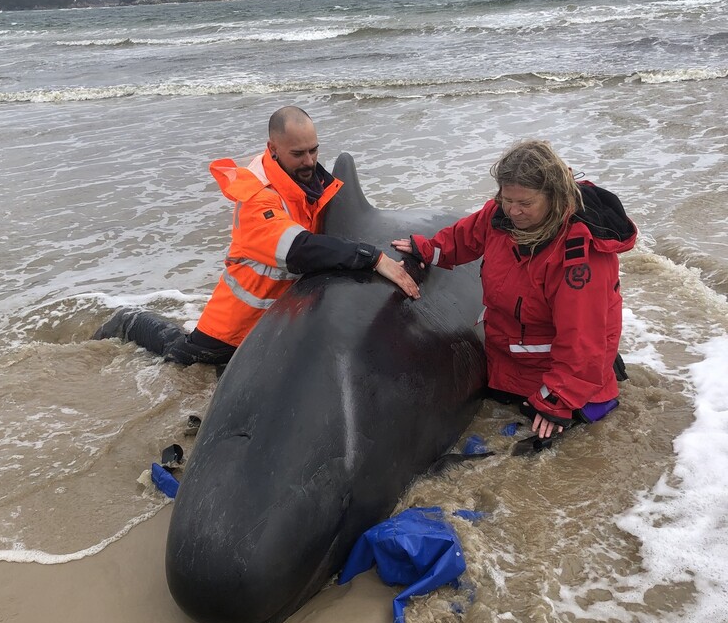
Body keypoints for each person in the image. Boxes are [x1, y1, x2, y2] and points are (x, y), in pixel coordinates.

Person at [93, 106, 419, 365]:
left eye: (314, 151)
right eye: (298, 154)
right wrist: (371, 257)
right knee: (182, 357)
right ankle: (128, 322)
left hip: (279, 318)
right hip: (236, 326)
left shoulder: (311, 183)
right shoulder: (257, 198)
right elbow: (297, 250)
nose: (309, 162)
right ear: (273, 149)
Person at [391, 140, 637, 442]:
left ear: (553, 197)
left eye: (526, 203)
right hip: (511, 359)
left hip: (566, 375)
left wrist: (557, 400)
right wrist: (426, 249)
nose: (513, 211)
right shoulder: (501, 215)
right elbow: (465, 237)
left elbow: (583, 340)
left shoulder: (580, 258)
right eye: (507, 199)